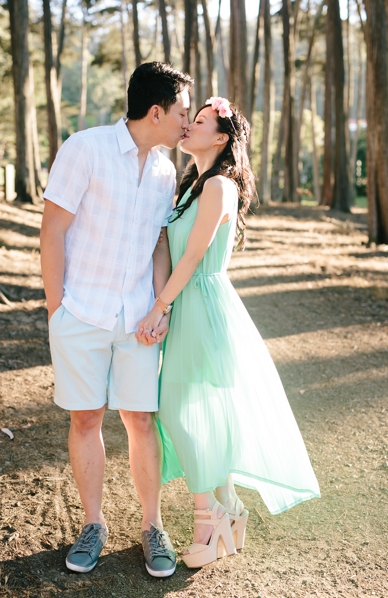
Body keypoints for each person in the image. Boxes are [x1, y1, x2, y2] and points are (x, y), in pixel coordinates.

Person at [136, 97, 320, 568]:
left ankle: (208, 517)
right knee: (196, 409)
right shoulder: (190, 186)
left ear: (220, 138)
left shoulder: (219, 185)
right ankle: (230, 511)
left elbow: (194, 257)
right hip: (185, 303)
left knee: (181, 409)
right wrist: (164, 304)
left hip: (204, 304)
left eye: (199, 121)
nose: (187, 126)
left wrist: (160, 307)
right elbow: (164, 247)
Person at [39, 62, 193, 578]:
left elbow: (157, 246)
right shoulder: (84, 148)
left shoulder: (166, 171)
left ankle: (152, 526)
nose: (186, 124)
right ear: (156, 112)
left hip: (137, 321)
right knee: (85, 418)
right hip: (79, 311)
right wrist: (56, 309)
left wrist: (158, 306)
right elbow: (53, 230)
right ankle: (93, 523)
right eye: (181, 113)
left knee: (140, 419)